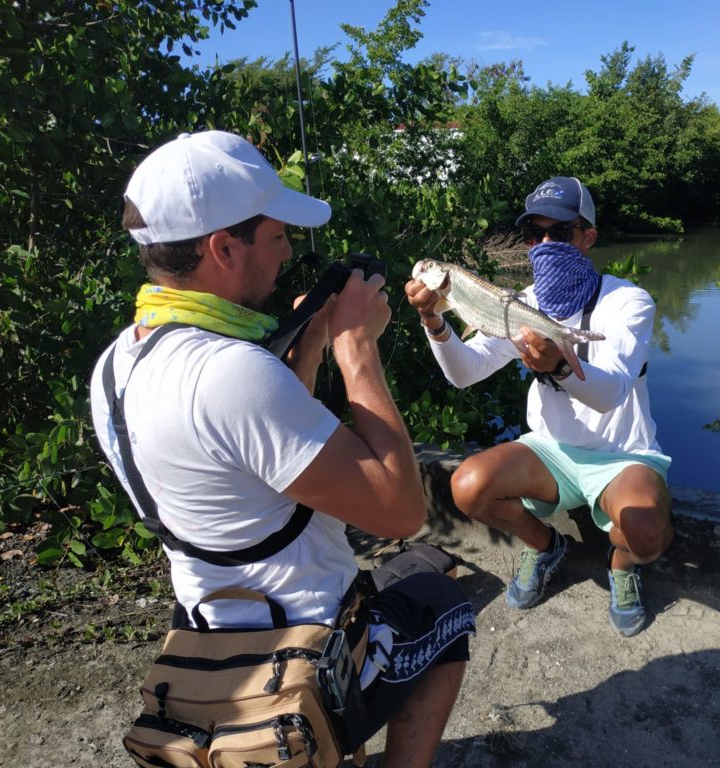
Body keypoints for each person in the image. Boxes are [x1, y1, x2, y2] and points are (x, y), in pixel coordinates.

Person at [90, 130, 473, 767]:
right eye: (276, 235)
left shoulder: (117, 365)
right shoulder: (231, 372)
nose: (289, 249)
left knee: (419, 578)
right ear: (222, 247)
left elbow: (256, 457)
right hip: (307, 647)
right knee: (442, 604)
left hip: (210, 633)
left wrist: (311, 345)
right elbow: (401, 510)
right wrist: (357, 348)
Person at [405, 176, 673, 637]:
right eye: (534, 234)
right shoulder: (519, 303)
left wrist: (561, 368)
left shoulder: (628, 301)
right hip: (551, 451)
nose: (544, 244)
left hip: (622, 455)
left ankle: (623, 565)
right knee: (468, 486)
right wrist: (434, 321)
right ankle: (544, 545)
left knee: (646, 531)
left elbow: (610, 394)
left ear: (588, 237)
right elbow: (465, 373)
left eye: (560, 232)